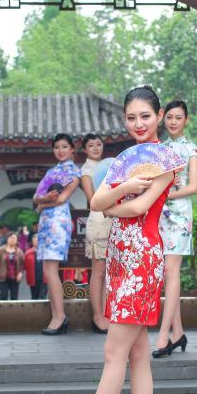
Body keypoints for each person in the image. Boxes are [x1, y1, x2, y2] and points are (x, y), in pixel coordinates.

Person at [52, 86, 180, 394]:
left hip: (142, 259)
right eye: (131, 117)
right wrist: (122, 189)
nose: (138, 124)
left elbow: (141, 207)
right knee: (137, 354)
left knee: (113, 353)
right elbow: (95, 202)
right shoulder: (124, 159)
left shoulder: (166, 159)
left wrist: (113, 205)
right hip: (119, 256)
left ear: (159, 116)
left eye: (145, 116)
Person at [154, 100, 197, 357]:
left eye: (178, 117)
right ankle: (178, 332)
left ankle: (163, 335)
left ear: (186, 121)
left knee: (171, 270)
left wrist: (167, 194)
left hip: (180, 214)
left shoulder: (191, 148)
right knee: (167, 273)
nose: (173, 121)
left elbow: (193, 186)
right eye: (169, 117)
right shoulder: (160, 149)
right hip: (160, 214)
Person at [34, 133, 81, 335]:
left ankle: (60, 317)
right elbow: (36, 198)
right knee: (48, 270)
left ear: (72, 149)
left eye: (64, 146)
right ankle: (56, 316)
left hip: (58, 222)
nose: (60, 151)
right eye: (56, 147)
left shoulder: (74, 172)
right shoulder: (51, 172)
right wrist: (44, 199)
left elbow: (61, 199)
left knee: (51, 270)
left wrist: (43, 203)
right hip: (46, 222)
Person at [80, 132, 113, 334]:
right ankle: (97, 315)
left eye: (98, 144)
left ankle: (108, 313)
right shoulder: (86, 171)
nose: (95, 148)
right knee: (98, 270)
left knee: (110, 271)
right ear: (85, 149)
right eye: (91, 145)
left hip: (113, 219)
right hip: (98, 220)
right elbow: (92, 200)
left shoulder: (110, 166)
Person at [0, 232, 24, 301]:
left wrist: (21, 273)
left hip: (15, 278)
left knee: (14, 298)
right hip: (3, 278)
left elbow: (22, 264)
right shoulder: (0, 250)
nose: (12, 239)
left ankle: (14, 309)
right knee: (3, 296)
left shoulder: (19, 252)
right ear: (7, 239)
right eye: (11, 238)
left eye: (14, 238)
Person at [24, 234, 45, 300]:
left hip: (44, 278)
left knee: (43, 297)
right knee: (34, 297)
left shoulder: (46, 252)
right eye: (35, 241)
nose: (37, 242)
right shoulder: (28, 253)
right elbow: (25, 266)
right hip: (33, 278)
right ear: (32, 242)